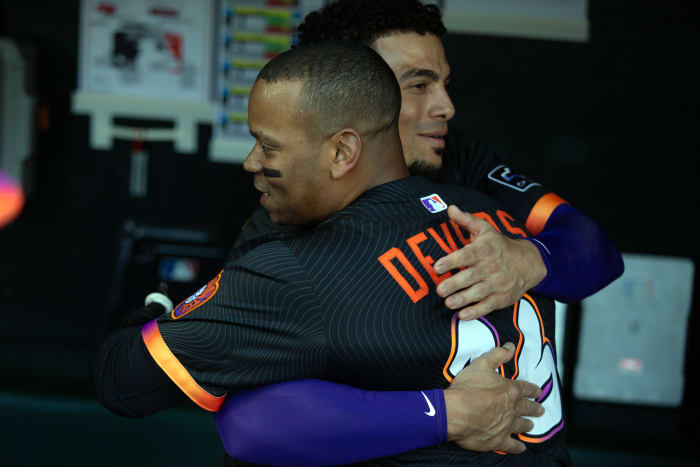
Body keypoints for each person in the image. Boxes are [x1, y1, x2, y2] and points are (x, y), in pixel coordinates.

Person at [93, 41, 570, 465]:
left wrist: (155, 304)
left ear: (343, 152)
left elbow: (123, 382)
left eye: (268, 146)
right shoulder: (492, 222)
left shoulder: (301, 271)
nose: (250, 162)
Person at [211, 1, 623, 464]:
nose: (445, 106)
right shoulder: (284, 221)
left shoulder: (458, 160)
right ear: (354, 94)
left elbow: (596, 248)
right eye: (418, 84)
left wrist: (530, 259)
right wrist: (448, 413)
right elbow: (251, 418)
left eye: (444, 84)